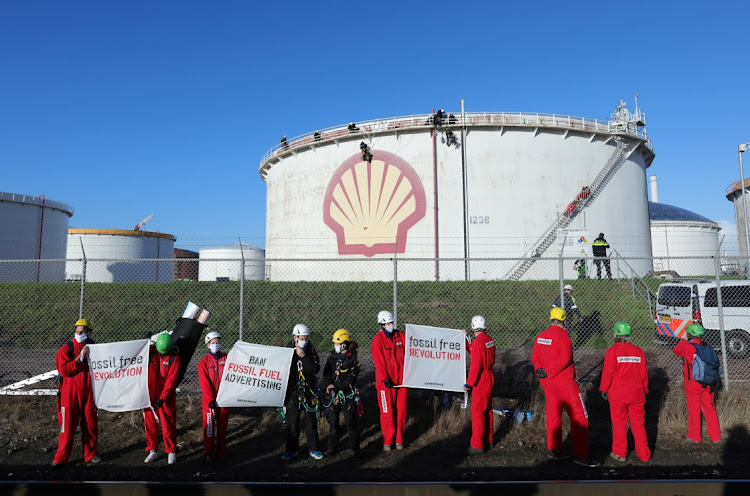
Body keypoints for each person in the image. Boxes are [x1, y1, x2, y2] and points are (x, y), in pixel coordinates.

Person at [531, 307, 599, 467]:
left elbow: (534, 357)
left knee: (553, 414)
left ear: (550, 319)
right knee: (580, 415)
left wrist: (540, 371)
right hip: (564, 382)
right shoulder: (565, 338)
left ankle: (556, 450)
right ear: (565, 321)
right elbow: (564, 360)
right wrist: (549, 372)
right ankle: (581, 456)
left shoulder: (540, 337)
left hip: (547, 383)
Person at [599, 322, 651, 462]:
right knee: (638, 423)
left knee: (619, 423)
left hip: (618, 394)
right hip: (637, 393)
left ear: (615, 334)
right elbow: (643, 374)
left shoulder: (612, 351)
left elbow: (608, 373)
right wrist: (645, 389)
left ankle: (620, 453)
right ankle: (644, 454)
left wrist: (604, 389)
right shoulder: (638, 351)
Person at [52, 319, 100, 466]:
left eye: (82, 332)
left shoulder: (96, 348)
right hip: (69, 395)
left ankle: (90, 454)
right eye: (77, 331)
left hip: (89, 393)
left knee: (90, 425)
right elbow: (64, 370)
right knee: (67, 429)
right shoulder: (66, 349)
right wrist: (80, 358)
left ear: (89, 333)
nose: (79, 334)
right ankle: (60, 459)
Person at [672, 323, 721, 443]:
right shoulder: (708, 346)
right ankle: (716, 437)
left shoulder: (688, 347)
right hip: (709, 382)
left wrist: (684, 340)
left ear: (689, 334)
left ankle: (694, 437)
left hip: (693, 383)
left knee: (694, 410)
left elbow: (676, 350)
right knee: (710, 409)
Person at [282, 324, 323, 460]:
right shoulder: (288, 349)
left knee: (311, 421)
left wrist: (304, 357)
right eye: (302, 338)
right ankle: (291, 450)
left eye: (306, 338)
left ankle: (314, 448)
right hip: (293, 390)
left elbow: (315, 369)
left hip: (309, 389)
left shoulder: (310, 349)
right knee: (292, 422)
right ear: (295, 338)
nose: (304, 341)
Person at [371, 310, 408, 451]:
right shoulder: (378, 341)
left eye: (391, 322)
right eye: (387, 323)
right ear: (382, 324)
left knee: (402, 411)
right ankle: (388, 441)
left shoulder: (400, 336)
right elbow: (379, 363)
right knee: (387, 412)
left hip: (402, 381)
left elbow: (412, 347)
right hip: (385, 384)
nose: (390, 325)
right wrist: (385, 379)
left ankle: (399, 440)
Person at [322, 328, 361, 457]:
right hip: (333, 395)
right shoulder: (332, 357)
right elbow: (326, 373)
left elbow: (351, 378)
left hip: (347, 394)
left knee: (350, 422)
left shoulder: (353, 358)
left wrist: (337, 385)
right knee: (333, 423)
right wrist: (328, 385)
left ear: (344, 344)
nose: (336, 346)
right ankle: (332, 448)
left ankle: (355, 448)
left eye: (337, 344)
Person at [144, 333, 182, 464]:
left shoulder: (174, 359)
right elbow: (140, 350)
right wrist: (148, 340)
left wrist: (162, 398)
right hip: (149, 396)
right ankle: (152, 450)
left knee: (168, 425)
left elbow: (170, 382)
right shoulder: (152, 352)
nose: (162, 354)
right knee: (150, 425)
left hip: (165, 398)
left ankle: (171, 451)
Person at [463, 315, 496, 455]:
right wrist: (466, 341)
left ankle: (477, 445)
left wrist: (469, 384)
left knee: (477, 412)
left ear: (472, 327)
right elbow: (477, 352)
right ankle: (488, 440)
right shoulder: (489, 340)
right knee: (487, 410)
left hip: (481, 379)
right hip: (489, 376)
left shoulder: (477, 343)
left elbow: (476, 365)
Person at [198, 330, 228, 462]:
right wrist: (210, 399)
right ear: (207, 345)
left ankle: (221, 451)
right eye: (213, 343)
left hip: (224, 398)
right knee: (209, 428)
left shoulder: (226, 358)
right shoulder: (203, 362)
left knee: (222, 426)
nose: (216, 344)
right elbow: (204, 383)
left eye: (218, 342)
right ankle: (209, 452)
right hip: (209, 401)